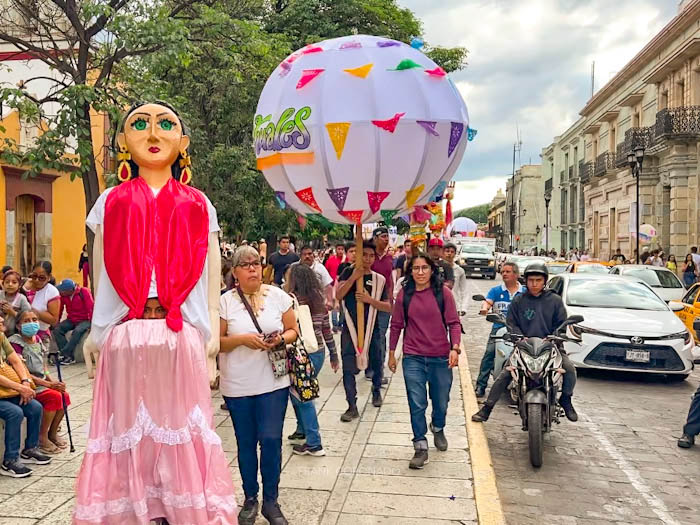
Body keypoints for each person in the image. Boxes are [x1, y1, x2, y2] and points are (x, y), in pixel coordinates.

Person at [74, 102, 237, 525]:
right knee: (125, 432)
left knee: (182, 429)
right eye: (139, 124)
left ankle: (179, 508)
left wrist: (210, 332)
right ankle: (130, 509)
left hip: (178, 330)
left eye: (166, 125)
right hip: (126, 333)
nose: (153, 133)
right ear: (124, 141)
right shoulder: (110, 201)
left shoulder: (198, 203)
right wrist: (97, 331)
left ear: (182, 142)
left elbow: (209, 272)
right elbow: (102, 269)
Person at [220, 246, 298, 525]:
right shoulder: (225, 302)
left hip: (273, 382)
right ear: (235, 272)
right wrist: (241, 340)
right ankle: (250, 497)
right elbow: (216, 343)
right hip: (237, 386)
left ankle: (271, 501)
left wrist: (279, 339)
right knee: (245, 443)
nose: (253, 268)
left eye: (256, 263)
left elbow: (293, 331)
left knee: (271, 439)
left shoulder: (278, 296)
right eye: (246, 264)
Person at [472, 261, 578, 423]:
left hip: (551, 347)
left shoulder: (555, 301)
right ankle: (487, 408)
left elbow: (561, 324)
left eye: (538, 280)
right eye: (531, 280)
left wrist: (555, 336)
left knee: (569, 369)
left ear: (544, 281)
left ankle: (566, 400)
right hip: (523, 347)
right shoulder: (519, 300)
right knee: (505, 374)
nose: (534, 284)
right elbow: (511, 323)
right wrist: (519, 337)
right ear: (526, 281)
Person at [388, 254, 461, 469]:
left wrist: (455, 348)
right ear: (410, 272)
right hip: (413, 357)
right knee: (416, 402)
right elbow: (396, 325)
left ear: (431, 270)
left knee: (441, 401)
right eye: (416, 268)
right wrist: (392, 353)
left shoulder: (444, 294)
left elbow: (454, 323)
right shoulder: (404, 295)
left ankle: (438, 427)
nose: (420, 272)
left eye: (424, 268)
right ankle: (420, 445)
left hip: (440, 357)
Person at [286, 263, 339, 457]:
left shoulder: (290, 302)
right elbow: (327, 330)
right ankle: (302, 430)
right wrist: (333, 355)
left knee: (304, 398)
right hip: (317, 352)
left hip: (300, 354)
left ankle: (314, 443)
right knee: (298, 394)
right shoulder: (319, 300)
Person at [337, 241, 391, 418]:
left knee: (376, 361)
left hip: (372, 328)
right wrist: (354, 277)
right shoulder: (347, 271)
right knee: (348, 367)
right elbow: (338, 295)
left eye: (371, 256)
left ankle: (376, 390)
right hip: (350, 328)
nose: (367, 259)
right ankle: (351, 405)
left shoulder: (378, 279)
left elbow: (388, 306)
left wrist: (370, 300)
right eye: (364, 255)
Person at [10, 310, 71, 455]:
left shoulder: (37, 339)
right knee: (54, 397)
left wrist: (52, 381)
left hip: (41, 382)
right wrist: (48, 385)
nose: (31, 323)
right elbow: (22, 371)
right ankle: (42, 437)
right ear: (18, 326)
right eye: (26, 321)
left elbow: (42, 365)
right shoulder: (15, 342)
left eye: (34, 319)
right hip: (27, 384)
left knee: (64, 395)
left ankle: (52, 433)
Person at [0, 314, 51, 478]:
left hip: (8, 390)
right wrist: (19, 388)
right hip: (5, 390)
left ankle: (30, 449)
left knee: (35, 407)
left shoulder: (1, 338)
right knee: (14, 412)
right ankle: (10, 461)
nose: (3, 324)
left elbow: (16, 361)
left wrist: (26, 382)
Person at [473, 262, 525, 398]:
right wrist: (484, 309)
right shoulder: (496, 291)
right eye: (503, 272)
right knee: (489, 354)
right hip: (499, 328)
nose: (504, 274)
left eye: (508, 271)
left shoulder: (524, 292)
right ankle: (481, 385)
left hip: (521, 331)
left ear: (516, 274)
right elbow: (488, 302)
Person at [369, 227, 395, 384]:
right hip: (367, 301)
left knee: (380, 336)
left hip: (384, 303)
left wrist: (391, 299)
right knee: (368, 334)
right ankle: (368, 366)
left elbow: (390, 280)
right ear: (375, 238)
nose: (386, 239)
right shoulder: (368, 256)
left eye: (388, 237)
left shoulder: (390, 258)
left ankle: (379, 369)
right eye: (383, 236)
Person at [53, 279, 93, 365]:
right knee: (57, 330)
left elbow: (91, 307)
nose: (61, 292)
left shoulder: (84, 292)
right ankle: (68, 356)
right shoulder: (64, 296)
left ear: (70, 290)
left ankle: (64, 354)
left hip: (85, 319)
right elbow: (60, 309)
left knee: (77, 331)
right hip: (71, 319)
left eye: (63, 291)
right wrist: (56, 322)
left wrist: (92, 323)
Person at [24, 261, 60, 345]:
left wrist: (31, 311)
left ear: (49, 277)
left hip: (40, 335)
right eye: (34, 276)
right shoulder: (23, 285)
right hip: (18, 334)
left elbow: (53, 320)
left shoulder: (51, 292)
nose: (37, 280)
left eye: (41, 278)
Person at [0, 270, 31, 337]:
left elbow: (28, 317)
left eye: (14, 282)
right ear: (3, 284)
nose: (10, 284)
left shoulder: (21, 299)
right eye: (7, 282)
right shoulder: (0, 295)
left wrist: (12, 312)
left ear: (19, 285)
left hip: (15, 335)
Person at [443, 243, 468, 317]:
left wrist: (464, 307)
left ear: (455, 254)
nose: (449, 254)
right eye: (447, 251)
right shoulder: (436, 267)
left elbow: (464, 290)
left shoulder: (459, 270)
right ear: (443, 253)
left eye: (452, 252)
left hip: (454, 305)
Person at [325, 243, 345, 332]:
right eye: (338, 249)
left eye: (342, 249)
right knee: (334, 306)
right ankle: (335, 325)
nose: (340, 251)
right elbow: (326, 272)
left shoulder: (346, 260)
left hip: (344, 286)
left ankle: (341, 323)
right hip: (332, 285)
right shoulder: (331, 260)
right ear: (336, 250)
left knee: (342, 306)